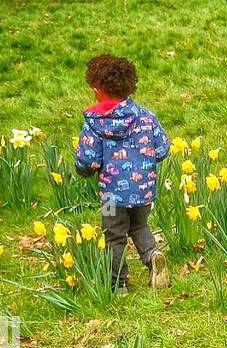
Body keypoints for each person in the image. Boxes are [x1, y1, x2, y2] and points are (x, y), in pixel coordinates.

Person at [73, 53, 171, 294]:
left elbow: (87, 160)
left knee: (114, 236)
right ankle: (152, 255)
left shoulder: (95, 123)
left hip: (111, 198)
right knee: (139, 226)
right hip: (143, 192)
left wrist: (85, 170)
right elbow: (162, 149)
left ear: (97, 90)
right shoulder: (147, 117)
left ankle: (118, 284)